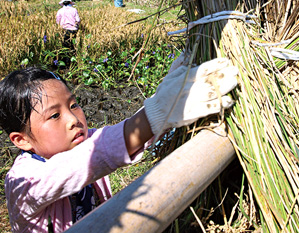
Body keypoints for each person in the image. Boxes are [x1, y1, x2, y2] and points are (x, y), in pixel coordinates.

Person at [0, 57, 238, 232]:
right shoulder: (22, 183)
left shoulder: (83, 141)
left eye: (73, 105)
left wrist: (161, 104)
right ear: (21, 140)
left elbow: (118, 138)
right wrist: (155, 114)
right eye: (54, 116)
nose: (74, 120)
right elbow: (88, 159)